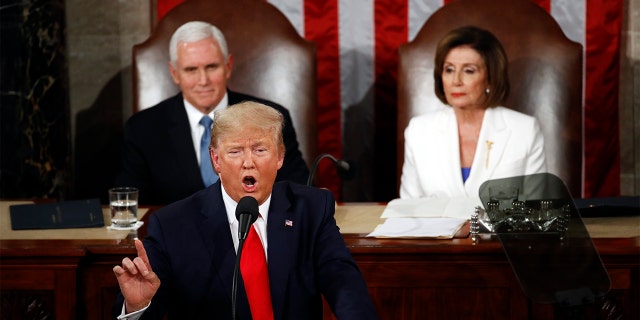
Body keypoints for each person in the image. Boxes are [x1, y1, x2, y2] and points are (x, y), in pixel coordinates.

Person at [112, 101, 378, 319]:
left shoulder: (311, 209)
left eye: (260, 149)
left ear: (280, 156)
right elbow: (146, 305)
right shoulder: (173, 225)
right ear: (216, 159)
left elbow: (345, 286)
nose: (248, 163)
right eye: (236, 151)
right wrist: (137, 308)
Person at [115, 21, 309, 205]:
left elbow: (299, 192)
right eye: (191, 70)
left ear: (228, 66)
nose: (203, 80)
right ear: (174, 73)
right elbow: (132, 206)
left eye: (211, 67)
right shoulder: (143, 128)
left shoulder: (270, 119)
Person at [399, 26, 546, 204]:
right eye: (449, 69)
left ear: (490, 78)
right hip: (435, 233)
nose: (456, 81)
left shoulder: (524, 130)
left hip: (500, 233)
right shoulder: (419, 130)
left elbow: (536, 209)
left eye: (469, 70)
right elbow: (409, 209)